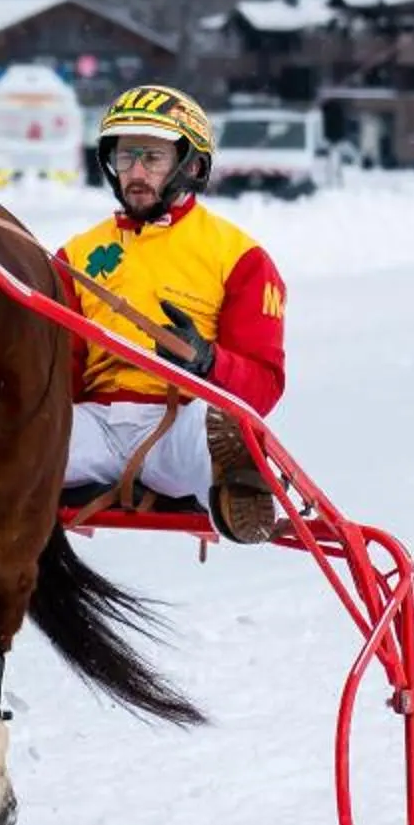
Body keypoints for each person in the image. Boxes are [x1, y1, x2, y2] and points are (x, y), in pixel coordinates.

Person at [60, 83, 287, 540]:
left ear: (193, 165)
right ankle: (40, 480)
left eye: (152, 157)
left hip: (177, 424)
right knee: (4, 431)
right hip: (93, 427)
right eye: (125, 157)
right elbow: (61, 369)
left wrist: (207, 362)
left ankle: (237, 485)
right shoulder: (75, 256)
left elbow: (264, 384)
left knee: (217, 425)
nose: (135, 172)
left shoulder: (240, 256)